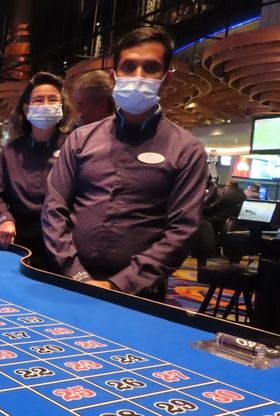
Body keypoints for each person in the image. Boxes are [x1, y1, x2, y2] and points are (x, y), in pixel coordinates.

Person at [41, 27, 208, 300]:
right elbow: (54, 209)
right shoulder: (80, 139)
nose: (138, 76)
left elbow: (181, 232)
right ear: (114, 75)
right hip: (69, 280)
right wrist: (77, 274)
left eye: (150, 67)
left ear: (166, 79)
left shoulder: (187, 150)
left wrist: (121, 285)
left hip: (138, 294)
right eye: (129, 66)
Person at [0, 72, 75, 268]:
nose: (46, 105)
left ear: (62, 107)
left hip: (64, 240)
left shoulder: (74, 147)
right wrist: (4, 219)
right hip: (19, 236)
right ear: (27, 110)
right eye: (38, 100)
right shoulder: (11, 151)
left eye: (53, 100)